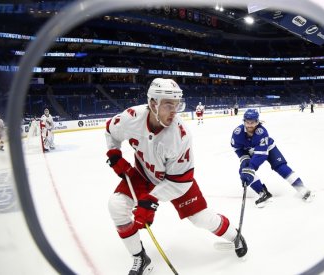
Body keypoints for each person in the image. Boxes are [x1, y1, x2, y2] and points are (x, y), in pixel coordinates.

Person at [105, 78, 247, 275]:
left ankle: (235, 236)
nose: (175, 110)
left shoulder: (180, 136)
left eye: (177, 104)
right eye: (168, 104)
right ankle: (139, 257)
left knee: (201, 219)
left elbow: (181, 181)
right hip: (142, 173)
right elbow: (110, 130)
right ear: (153, 103)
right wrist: (114, 153)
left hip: (175, 181)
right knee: (116, 206)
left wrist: (151, 200)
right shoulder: (131, 117)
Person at [230, 109, 312, 207]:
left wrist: (251, 167)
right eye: (248, 122)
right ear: (244, 122)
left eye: (253, 122)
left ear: (257, 121)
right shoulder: (237, 133)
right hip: (250, 152)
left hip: (268, 149)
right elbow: (237, 148)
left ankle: (301, 188)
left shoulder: (262, 132)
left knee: (280, 166)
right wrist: (244, 159)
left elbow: (261, 154)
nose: (250, 125)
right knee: (243, 171)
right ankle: (263, 193)